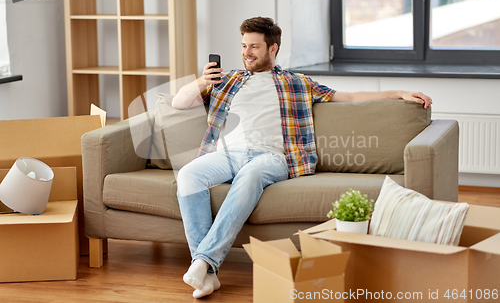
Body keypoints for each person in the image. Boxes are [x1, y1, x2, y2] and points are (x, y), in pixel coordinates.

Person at [172, 16, 432, 298]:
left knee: (250, 177)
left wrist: (400, 92)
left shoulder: (296, 83)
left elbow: (352, 97)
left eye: (254, 47)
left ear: (273, 49)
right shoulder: (228, 80)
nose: (246, 52)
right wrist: (202, 80)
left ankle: (203, 261)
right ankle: (207, 272)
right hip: (228, 153)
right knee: (188, 174)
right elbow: (179, 102)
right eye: (244, 45)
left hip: (270, 158)